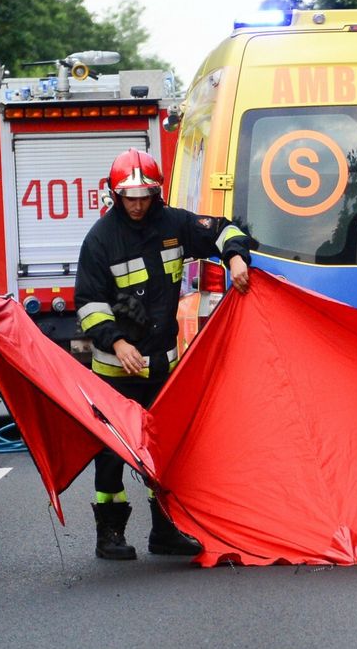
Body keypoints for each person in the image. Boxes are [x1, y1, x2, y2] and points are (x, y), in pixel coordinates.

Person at [75, 148, 257, 560]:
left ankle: (166, 530)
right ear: (115, 195)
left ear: (156, 192)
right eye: (129, 196)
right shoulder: (101, 240)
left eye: (144, 195)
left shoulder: (173, 224)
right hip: (116, 370)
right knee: (113, 452)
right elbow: (88, 303)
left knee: (166, 449)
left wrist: (235, 258)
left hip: (163, 367)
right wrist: (117, 343)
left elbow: (224, 230)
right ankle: (110, 534)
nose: (137, 204)